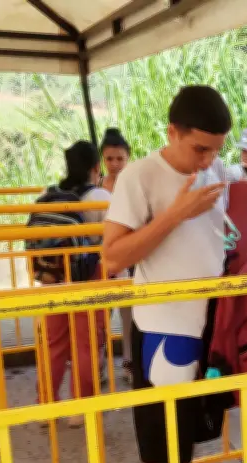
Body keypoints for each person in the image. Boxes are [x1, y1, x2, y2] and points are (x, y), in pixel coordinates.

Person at [103, 85, 245, 463]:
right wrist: (175, 214)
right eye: (199, 148)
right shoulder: (139, 177)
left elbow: (218, 239)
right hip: (164, 330)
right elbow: (112, 258)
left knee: (185, 440)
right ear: (172, 132)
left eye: (216, 150)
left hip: (209, 326)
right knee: (159, 450)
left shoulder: (216, 171)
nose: (208, 160)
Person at [40, 141, 107, 427]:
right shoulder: (100, 196)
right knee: (86, 344)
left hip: (53, 279)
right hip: (86, 280)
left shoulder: (46, 196)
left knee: (53, 344)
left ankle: (46, 405)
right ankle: (82, 407)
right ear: (95, 168)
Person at [99, 127, 135, 379]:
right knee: (100, 316)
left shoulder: (134, 185)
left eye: (120, 158)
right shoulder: (97, 186)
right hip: (102, 260)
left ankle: (129, 364)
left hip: (129, 258)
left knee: (129, 316)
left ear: (128, 158)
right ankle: (98, 366)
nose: (115, 164)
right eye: (110, 158)